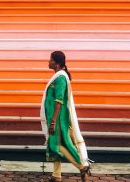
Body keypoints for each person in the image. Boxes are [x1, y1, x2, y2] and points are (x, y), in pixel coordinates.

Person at [41, 51, 90, 182]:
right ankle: (56, 175)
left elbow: (59, 101)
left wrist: (52, 122)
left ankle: (81, 167)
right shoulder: (58, 76)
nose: (48, 62)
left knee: (58, 145)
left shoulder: (61, 78)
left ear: (56, 63)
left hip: (58, 120)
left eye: (50, 60)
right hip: (57, 119)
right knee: (57, 144)